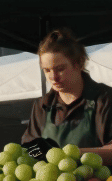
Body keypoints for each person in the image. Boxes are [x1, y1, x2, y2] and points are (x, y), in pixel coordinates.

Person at [22, 28, 112, 164]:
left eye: (60, 69)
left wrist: (65, 154)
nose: (53, 77)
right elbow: (28, 148)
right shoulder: (42, 105)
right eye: (47, 70)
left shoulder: (105, 99)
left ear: (79, 63)